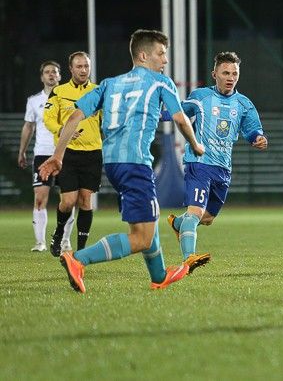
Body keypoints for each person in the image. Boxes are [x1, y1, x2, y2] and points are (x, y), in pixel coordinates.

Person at [39, 29, 206, 293]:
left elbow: (74, 117)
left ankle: (159, 275)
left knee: (147, 219)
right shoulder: (161, 82)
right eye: (161, 53)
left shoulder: (109, 84)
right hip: (136, 163)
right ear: (143, 55)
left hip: (112, 164)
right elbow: (180, 119)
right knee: (141, 238)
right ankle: (78, 259)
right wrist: (196, 145)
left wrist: (58, 155)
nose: (165, 60)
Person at [166, 51, 267, 268]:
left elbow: (252, 130)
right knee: (195, 212)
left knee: (208, 217)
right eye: (225, 73)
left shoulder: (244, 104)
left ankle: (178, 224)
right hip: (199, 162)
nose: (231, 78)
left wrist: (258, 138)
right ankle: (188, 259)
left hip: (223, 168)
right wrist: (153, 113)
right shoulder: (201, 96)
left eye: (234, 73)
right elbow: (179, 112)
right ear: (215, 74)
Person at [43, 51, 102, 257]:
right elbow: (48, 118)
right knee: (68, 201)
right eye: (79, 66)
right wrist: (62, 130)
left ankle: (81, 251)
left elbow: (107, 119)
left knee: (85, 201)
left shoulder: (98, 91)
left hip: (93, 153)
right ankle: (59, 232)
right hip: (67, 153)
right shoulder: (59, 92)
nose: (83, 70)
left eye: (86, 66)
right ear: (70, 69)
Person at [18, 61, 74, 251]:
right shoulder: (34, 101)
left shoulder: (69, 98)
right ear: (42, 77)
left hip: (66, 152)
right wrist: (22, 151)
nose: (51, 74)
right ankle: (40, 242)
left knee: (68, 199)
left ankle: (65, 240)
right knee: (40, 198)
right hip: (42, 154)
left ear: (60, 76)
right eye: (47, 72)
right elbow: (29, 126)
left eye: (55, 72)